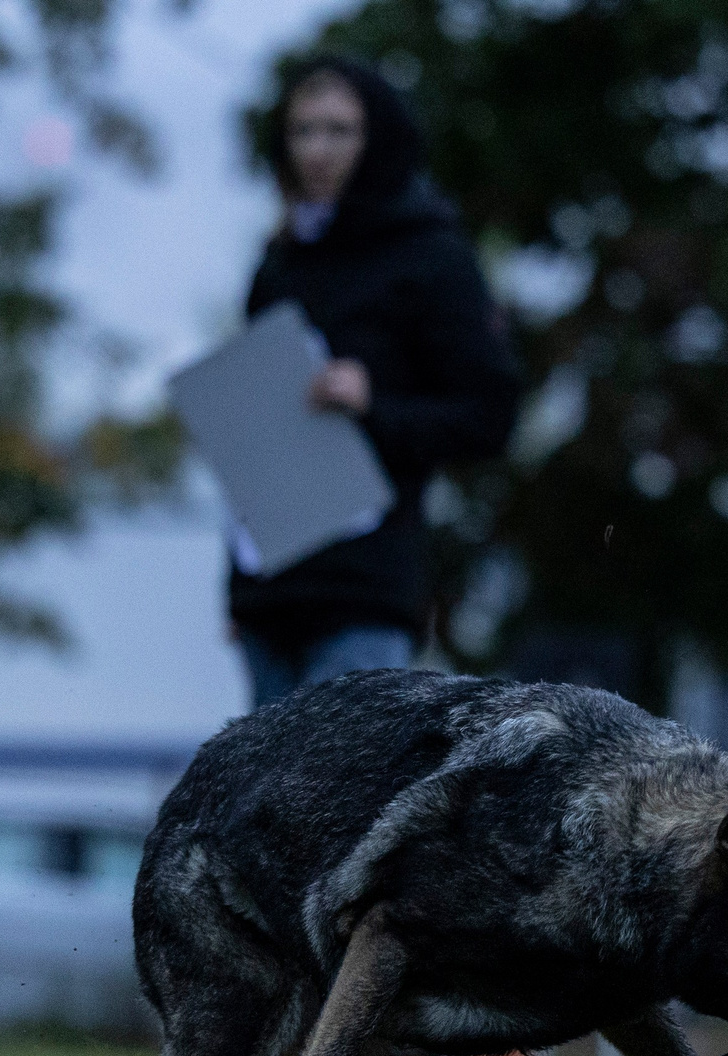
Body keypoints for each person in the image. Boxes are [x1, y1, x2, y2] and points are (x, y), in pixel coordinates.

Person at [228, 55, 521, 706]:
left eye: (339, 130)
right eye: (303, 131)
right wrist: (239, 590)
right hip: (272, 596)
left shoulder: (432, 257)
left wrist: (373, 405)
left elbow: (491, 415)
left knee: (341, 800)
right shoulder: (278, 267)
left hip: (365, 592)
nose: (318, 150)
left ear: (379, 136)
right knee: (269, 804)